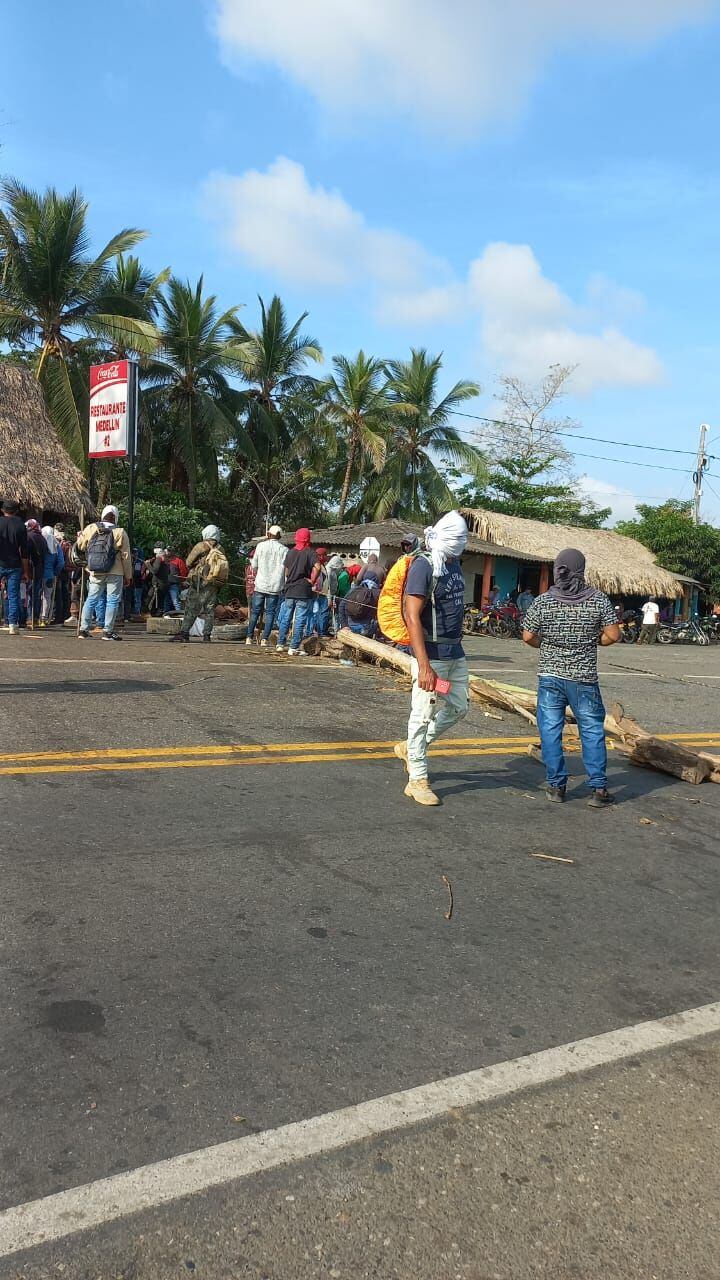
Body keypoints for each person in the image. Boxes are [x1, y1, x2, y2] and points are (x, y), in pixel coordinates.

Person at [522, 548, 620, 807]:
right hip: (584, 679)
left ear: (558, 570)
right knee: (591, 731)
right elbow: (614, 635)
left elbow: (528, 636)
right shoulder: (598, 600)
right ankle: (598, 790)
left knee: (550, 731)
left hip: (550, 677)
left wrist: (547, 646)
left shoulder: (543, 601)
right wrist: (595, 640)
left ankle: (556, 786)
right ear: (581, 569)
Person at [393, 511, 470, 807]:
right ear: (447, 538)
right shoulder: (424, 566)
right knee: (422, 714)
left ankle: (412, 748)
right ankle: (417, 780)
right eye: (458, 538)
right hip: (432, 655)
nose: (462, 543)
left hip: (455, 653)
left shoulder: (454, 564)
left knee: (460, 707)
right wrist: (423, 665)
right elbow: (411, 616)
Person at [76, 505, 132, 641]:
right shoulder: (120, 532)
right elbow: (126, 556)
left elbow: (80, 546)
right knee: (112, 600)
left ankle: (83, 629)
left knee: (91, 598)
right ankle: (108, 631)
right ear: (115, 517)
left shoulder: (91, 528)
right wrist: (128, 575)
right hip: (116, 570)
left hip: (95, 569)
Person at [169, 524, 228, 643]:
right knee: (209, 611)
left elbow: (188, 562)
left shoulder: (201, 546)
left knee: (191, 608)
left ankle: (184, 634)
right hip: (214, 583)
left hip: (199, 583)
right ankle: (207, 636)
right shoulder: (220, 549)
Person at [276, 527, 317, 656]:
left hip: (290, 589)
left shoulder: (290, 552)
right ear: (308, 539)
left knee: (286, 617)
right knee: (299, 620)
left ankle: (280, 644)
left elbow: (287, 572)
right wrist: (312, 580)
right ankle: (293, 648)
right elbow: (318, 567)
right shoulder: (310, 552)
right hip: (303, 590)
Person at [246, 524, 287, 647]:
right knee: (270, 613)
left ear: (269, 534)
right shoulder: (284, 550)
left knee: (255, 612)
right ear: (279, 536)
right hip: (275, 586)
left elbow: (254, 565)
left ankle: (249, 637)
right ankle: (264, 639)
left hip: (260, 584)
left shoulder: (260, 546)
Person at [0, 499, 30, 635]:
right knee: (13, 595)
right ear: (16, 511)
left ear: (2, 510)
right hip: (15, 564)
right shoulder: (20, 525)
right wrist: (26, 571)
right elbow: (24, 551)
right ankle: (13, 624)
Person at [39, 526, 64, 626]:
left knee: (35, 595)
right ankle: (43, 619)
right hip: (50, 575)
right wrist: (55, 572)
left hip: (37, 574)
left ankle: (33, 616)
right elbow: (61, 562)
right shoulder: (56, 545)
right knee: (47, 596)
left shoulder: (39, 543)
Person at [25, 518, 46, 625]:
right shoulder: (42, 538)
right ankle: (36, 617)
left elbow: (26, 555)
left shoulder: (29, 537)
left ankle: (29, 617)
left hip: (31, 568)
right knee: (37, 594)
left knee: (30, 594)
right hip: (40, 568)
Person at [307, 547, 331, 637]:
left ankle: (320, 631)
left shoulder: (323, 566)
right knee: (314, 613)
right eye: (324, 555)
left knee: (321, 614)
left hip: (322, 593)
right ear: (320, 556)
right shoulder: (316, 566)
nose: (326, 557)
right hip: (316, 593)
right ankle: (311, 632)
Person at [165, 548, 187, 615]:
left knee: (176, 601)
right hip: (165, 584)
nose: (167, 553)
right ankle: (166, 614)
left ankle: (180, 614)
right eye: (166, 551)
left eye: (169, 551)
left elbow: (183, 572)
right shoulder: (164, 560)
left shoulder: (178, 561)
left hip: (174, 584)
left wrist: (181, 581)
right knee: (166, 601)